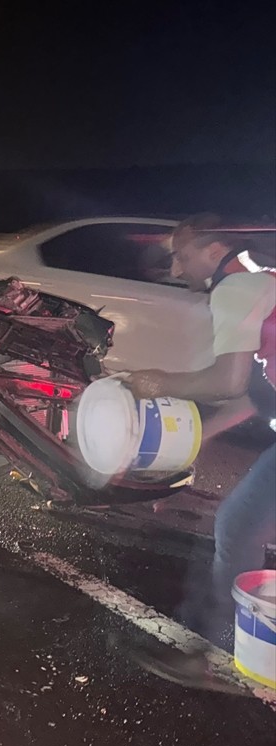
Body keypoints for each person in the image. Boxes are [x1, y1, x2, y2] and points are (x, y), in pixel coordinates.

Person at [124, 213, 276, 684]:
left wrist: (157, 382)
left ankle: (216, 655)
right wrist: (199, 437)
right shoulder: (261, 281)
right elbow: (255, 395)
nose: (174, 268)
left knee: (237, 526)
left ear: (213, 252)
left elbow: (227, 381)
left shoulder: (235, 290)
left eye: (181, 255)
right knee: (242, 524)